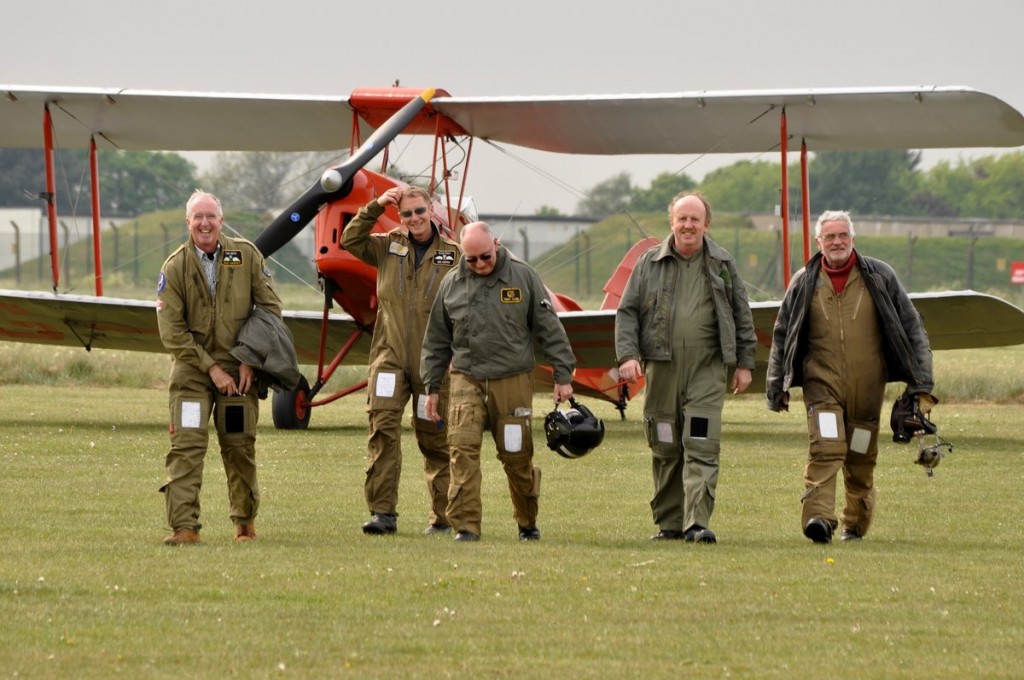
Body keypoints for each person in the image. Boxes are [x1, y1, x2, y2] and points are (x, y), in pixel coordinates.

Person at [766, 210, 935, 544]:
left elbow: (912, 327)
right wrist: (776, 385)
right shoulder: (803, 281)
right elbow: (782, 333)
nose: (837, 242)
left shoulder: (880, 276)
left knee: (860, 456)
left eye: (843, 235)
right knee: (826, 448)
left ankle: (853, 525)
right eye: (830, 237)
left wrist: (922, 384)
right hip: (821, 384)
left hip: (868, 387)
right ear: (819, 242)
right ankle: (819, 518)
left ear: (853, 239)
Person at [615, 191, 757, 544]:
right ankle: (669, 524)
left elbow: (742, 314)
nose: (688, 225)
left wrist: (744, 363)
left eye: (695, 219)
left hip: (707, 367)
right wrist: (628, 355)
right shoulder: (649, 263)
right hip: (661, 367)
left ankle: (697, 523)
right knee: (664, 445)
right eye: (682, 218)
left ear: (706, 224)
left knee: (701, 442)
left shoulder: (723, 263)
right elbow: (627, 312)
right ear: (672, 223)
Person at [421, 221, 575, 542]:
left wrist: (563, 375)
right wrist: (431, 388)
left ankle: (527, 522)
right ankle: (466, 526)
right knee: (461, 449)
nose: (479, 264)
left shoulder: (523, 276)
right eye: (471, 259)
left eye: (485, 256)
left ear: (496, 243)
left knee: (516, 455)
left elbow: (549, 328)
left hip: (512, 378)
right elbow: (436, 340)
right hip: (466, 375)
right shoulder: (451, 284)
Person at [156, 190, 284, 545]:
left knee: (239, 447)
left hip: (239, 374)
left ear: (221, 220)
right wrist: (211, 368)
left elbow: (270, 308)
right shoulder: (175, 266)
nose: (205, 223)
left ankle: (245, 523)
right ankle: (184, 528)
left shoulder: (246, 256)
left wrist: (248, 358)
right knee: (186, 447)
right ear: (188, 223)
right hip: (193, 374)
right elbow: (172, 332)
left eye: (211, 216)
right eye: (198, 217)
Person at [341, 186, 462, 536]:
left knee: (434, 438)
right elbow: (350, 239)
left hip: (432, 365)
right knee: (382, 431)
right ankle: (382, 514)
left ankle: (442, 518)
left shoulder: (453, 255)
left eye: (420, 211)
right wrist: (377, 205)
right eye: (407, 214)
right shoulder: (387, 246)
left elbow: (465, 309)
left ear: (432, 210)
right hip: (389, 357)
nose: (414, 219)